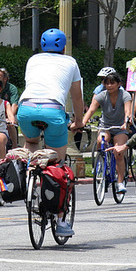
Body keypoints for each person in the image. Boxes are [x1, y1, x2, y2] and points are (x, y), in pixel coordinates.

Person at [17, 28, 84, 237]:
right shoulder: (70, 62)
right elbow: (77, 98)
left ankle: (31, 181)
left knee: (32, 142)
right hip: (53, 110)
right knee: (59, 164)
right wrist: (79, 121)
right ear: (64, 46)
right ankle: (61, 220)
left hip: (25, 109)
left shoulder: (33, 59)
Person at [82, 72, 131, 193]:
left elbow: (128, 111)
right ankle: (101, 163)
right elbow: (91, 110)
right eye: (107, 83)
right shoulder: (101, 95)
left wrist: (126, 122)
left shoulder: (125, 95)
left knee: (118, 152)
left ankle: (119, 183)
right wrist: (82, 122)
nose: (109, 86)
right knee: (100, 141)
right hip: (106, 126)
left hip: (120, 128)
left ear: (119, 84)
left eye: (112, 83)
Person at [0, 68, 19, 148]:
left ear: (5, 79)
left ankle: (14, 147)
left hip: (9, 113)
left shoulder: (11, 88)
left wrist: (9, 117)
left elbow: (14, 105)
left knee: (10, 124)